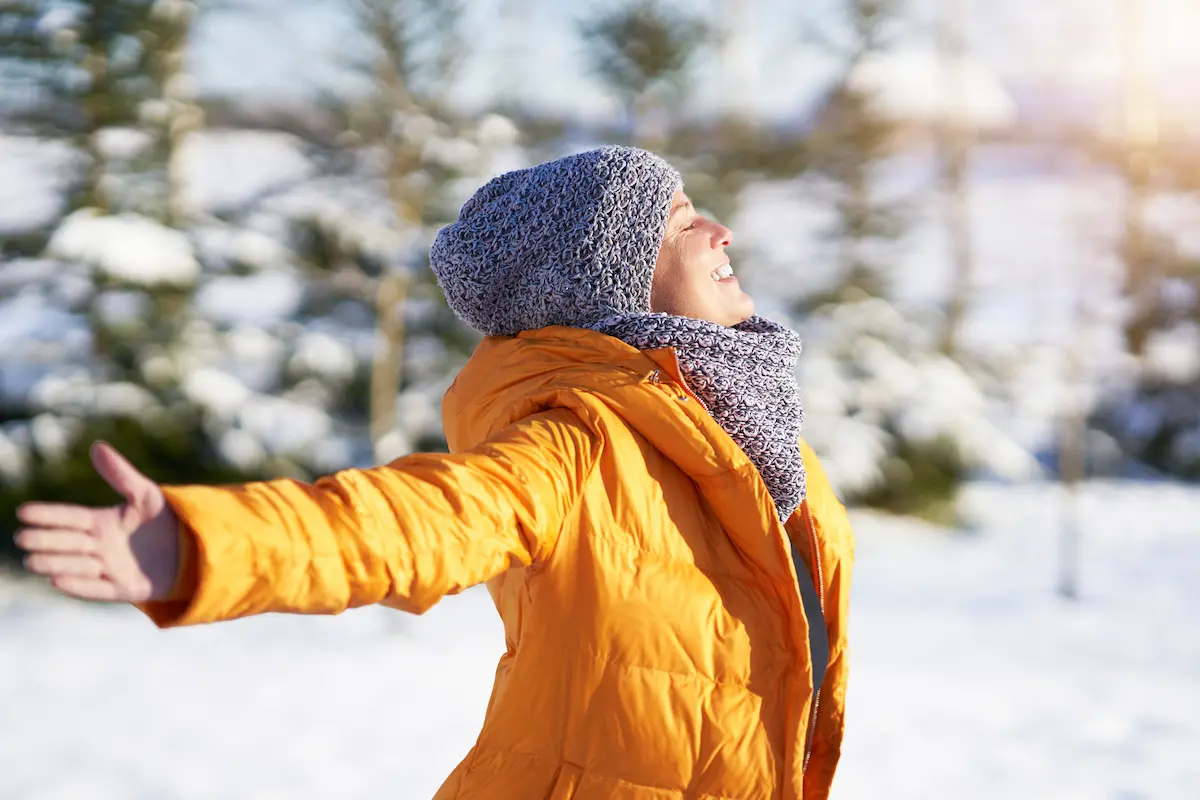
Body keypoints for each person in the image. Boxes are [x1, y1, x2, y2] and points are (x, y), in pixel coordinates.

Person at [15, 146, 855, 800]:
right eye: (679, 223)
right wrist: (209, 545)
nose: (720, 232)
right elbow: (415, 521)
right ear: (613, 283)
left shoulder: (749, 435)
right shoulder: (580, 441)